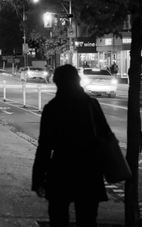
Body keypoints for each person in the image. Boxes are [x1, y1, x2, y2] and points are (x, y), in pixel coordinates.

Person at [32, 64, 111, 227]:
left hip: (61, 169)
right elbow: (105, 136)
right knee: (88, 219)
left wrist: (38, 179)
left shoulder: (52, 108)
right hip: (89, 169)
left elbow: (44, 147)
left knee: (58, 218)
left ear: (57, 83)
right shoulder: (91, 105)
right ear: (77, 81)